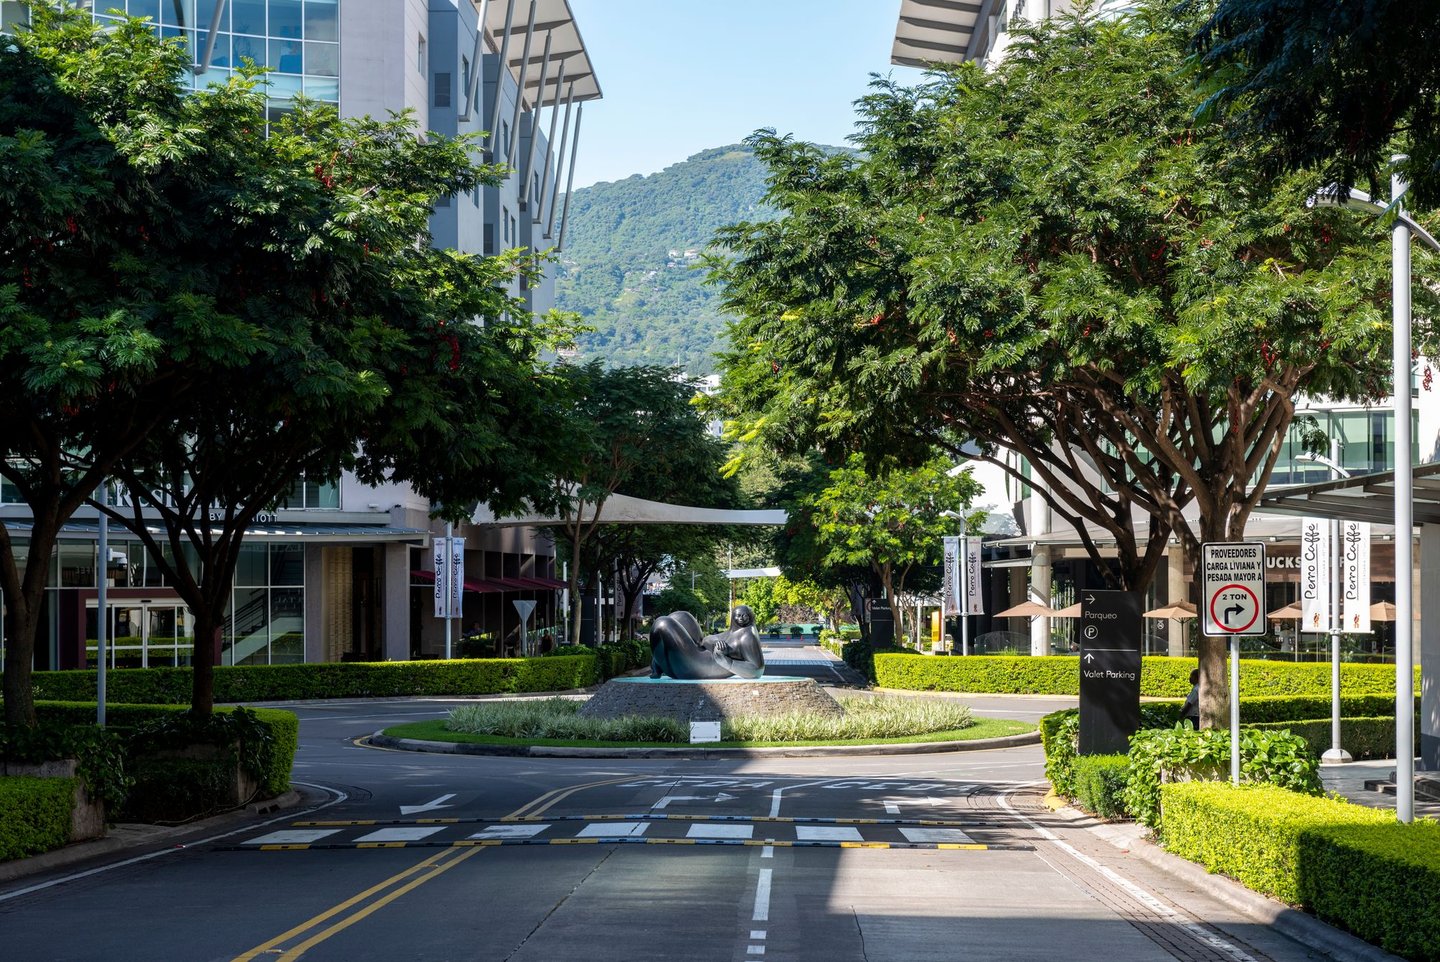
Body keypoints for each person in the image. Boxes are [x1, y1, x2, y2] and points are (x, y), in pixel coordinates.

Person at [649, 605, 765, 680]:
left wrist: (727, 662)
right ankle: (659, 663)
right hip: (701, 654)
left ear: (750, 617)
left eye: (745, 615)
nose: (742, 618)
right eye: (739, 615)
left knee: (662, 624)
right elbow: (707, 640)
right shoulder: (735, 631)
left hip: (695, 667)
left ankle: (658, 663)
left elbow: (757, 670)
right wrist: (710, 641)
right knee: (681, 616)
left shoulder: (747, 636)